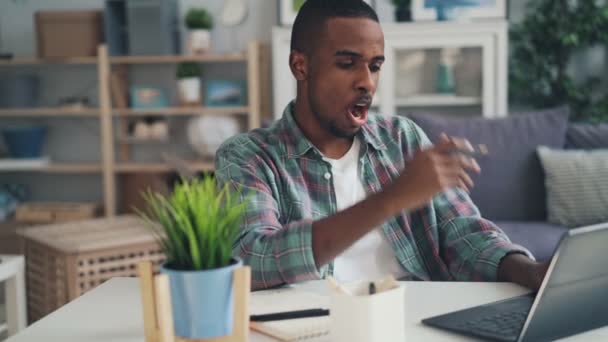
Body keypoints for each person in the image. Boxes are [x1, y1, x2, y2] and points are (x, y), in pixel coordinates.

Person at [215, 0, 549, 291]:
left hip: (418, 317)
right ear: (300, 65)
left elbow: (464, 233)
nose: (367, 82)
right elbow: (252, 260)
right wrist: (392, 199)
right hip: (318, 326)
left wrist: (533, 273)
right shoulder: (249, 157)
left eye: (375, 66)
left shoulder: (402, 138)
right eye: (347, 64)